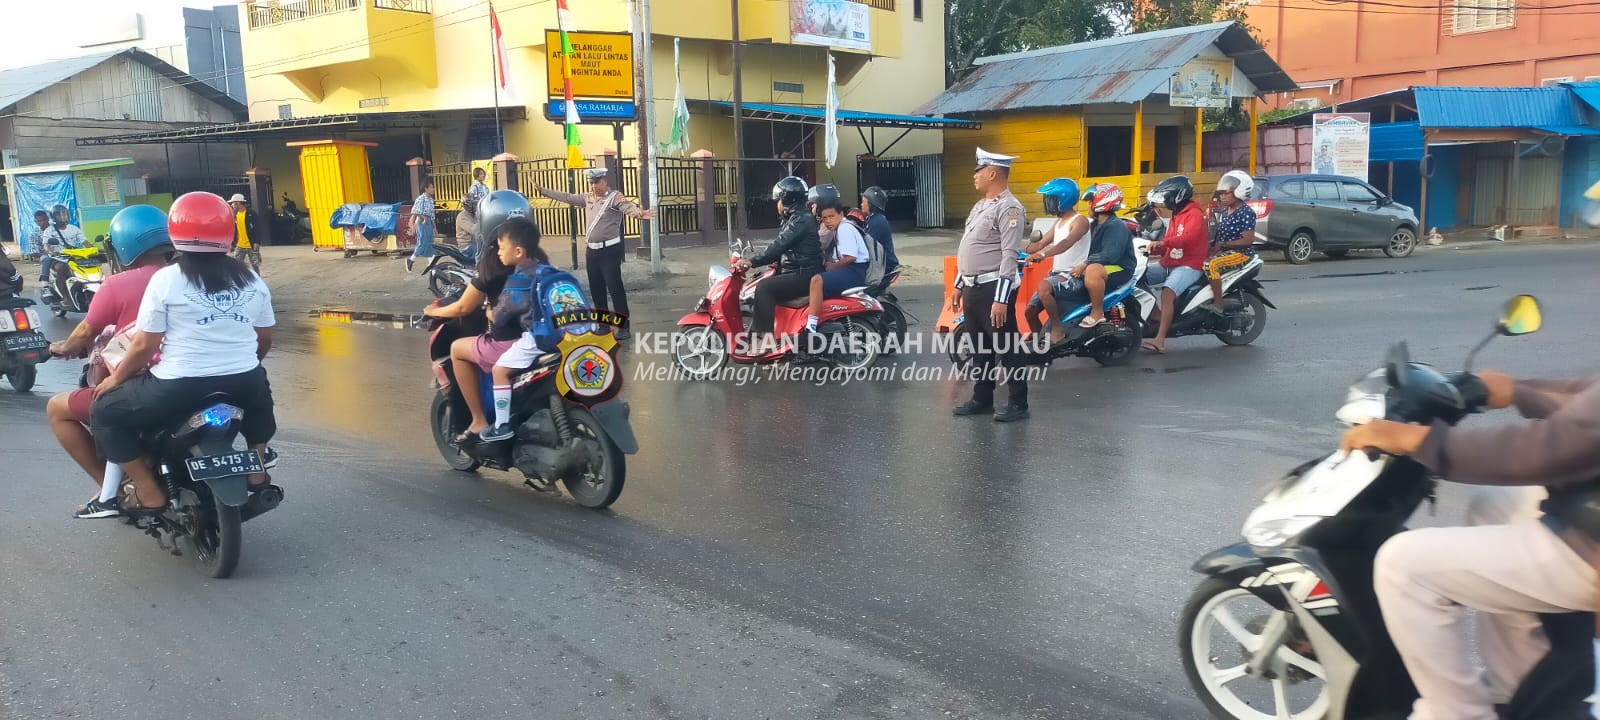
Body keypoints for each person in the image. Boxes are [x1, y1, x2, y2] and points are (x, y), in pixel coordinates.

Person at [1339, 370, 1599, 720]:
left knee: (1403, 566)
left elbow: (1546, 447)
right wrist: (1519, 389)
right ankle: (1517, 686)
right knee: (1493, 503)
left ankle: (1459, 713)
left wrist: (1422, 441)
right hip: (1586, 517)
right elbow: (1588, 404)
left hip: (1591, 546)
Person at [89, 192, 277, 514]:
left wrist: (115, 379)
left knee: (104, 413)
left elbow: (145, 345)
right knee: (260, 392)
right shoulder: (252, 280)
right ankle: (257, 468)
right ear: (228, 230)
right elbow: (264, 338)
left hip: (177, 387)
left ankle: (148, 491)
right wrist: (245, 366)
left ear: (175, 231)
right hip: (242, 382)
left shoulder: (166, 279)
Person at [46, 205, 174, 518]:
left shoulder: (118, 284)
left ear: (123, 246)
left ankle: (113, 490)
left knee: (58, 408)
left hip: (145, 383)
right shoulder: (189, 275)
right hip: (203, 377)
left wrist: (61, 348)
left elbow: (84, 333)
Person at [421, 190, 534, 443]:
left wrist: (433, 311)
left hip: (510, 343)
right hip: (540, 337)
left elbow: (462, 308)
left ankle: (478, 421)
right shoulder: (535, 257)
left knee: (458, 348)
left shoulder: (493, 262)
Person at [533, 168, 655, 340]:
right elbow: (567, 197)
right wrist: (544, 191)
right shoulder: (587, 198)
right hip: (592, 251)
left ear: (605, 181)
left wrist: (640, 214)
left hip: (610, 251)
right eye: (591, 183)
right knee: (596, 289)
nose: (593, 186)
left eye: (597, 182)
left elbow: (627, 207)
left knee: (615, 288)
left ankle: (624, 327)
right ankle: (603, 326)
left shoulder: (614, 197)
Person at [952, 148, 1029, 423]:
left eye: (978, 170)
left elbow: (1009, 255)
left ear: (992, 172)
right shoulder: (982, 205)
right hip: (973, 287)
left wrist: (1001, 299)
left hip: (994, 288)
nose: (975, 176)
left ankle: (1019, 403)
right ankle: (982, 398)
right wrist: (959, 284)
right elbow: (969, 247)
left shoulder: (1009, 208)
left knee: (1007, 346)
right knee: (980, 348)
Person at [478, 217, 566, 443]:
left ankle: (501, 425)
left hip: (539, 338)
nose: (498, 253)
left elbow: (499, 318)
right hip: (568, 333)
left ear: (517, 251)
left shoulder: (518, 279)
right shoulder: (549, 270)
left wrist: (487, 308)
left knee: (499, 370)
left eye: (501, 248)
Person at [733, 176, 823, 353]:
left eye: (780, 200)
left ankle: (766, 341)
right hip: (798, 269)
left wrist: (752, 261)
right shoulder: (796, 218)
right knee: (762, 282)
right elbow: (786, 247)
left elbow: (779, 245)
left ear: (789, 199)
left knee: (765, 288)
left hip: (805, 273)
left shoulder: (800, 220)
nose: (778, 204)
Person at [1046, 183, 1136, 344]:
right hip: (1101, 265)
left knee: (1092, 271)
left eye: (1090, 202)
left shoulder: (1116, 226)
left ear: (1102, 203)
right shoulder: (1094, 224)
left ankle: (1097, 312)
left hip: (1119, 268)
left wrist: (1085, 264)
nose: (1088, 206)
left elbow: (1110, 255)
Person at [1141, 176, 1207, 355]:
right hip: (1170, 263)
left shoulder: (1194, 214)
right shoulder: (1177, 215)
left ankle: (1160, 340)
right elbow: (1169, 245)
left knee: (1167, 292)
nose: (1166, 201)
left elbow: (1187, 239)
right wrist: (1152, 250)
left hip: (1190, 265)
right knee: (1139, 276)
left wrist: (1163, 244)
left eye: (1168, 197)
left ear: (1179, 196)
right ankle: (1157, 315)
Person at [1022, 178, 1091, 341]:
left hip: (1074, 275)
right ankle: (1041, 343)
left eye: (1050, 199)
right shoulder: (1059, 222)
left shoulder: (1080, 221)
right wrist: (1012, 249)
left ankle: (1057, 327)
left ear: (1063, 199)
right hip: (1057, 275)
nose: (1047, 203)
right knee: (1029, 311)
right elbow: (1039, 243)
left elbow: (1066, 243)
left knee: (1043, 287)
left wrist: (1044, 255)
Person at [804, 186, 872, 335]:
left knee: (816, 280)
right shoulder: (839, 228)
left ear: (841, 214)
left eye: (832, 216)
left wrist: (832, 266)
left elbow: (850, 257)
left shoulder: (844, 228)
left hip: (854, 271)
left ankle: (811, 326)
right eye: (825, 218)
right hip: (851, 270)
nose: (828, 221)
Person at [1204, 171, 1257, 314]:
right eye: (1221, 193)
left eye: (1226, 193)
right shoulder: (1225, 211)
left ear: (1239, 191)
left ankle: (1218, 304)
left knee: (1211, 265)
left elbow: (1248, 240)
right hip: (1226, 251)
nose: (1222, 196)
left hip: (1242, 254)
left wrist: (1224, 245)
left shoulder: (1246, 212)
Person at [39, 205, 87, 283]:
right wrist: (52, 252)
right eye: (58, 215)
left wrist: (93, 249)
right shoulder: (49, 230)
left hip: (73, 257)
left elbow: (85, 242)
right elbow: (46, 245)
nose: (62, 216)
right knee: (61, 267)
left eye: (64, 214)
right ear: (53, 217)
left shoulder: (74, 229)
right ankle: (65, 293)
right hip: (58, 258)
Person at [859, 186, 899, 275]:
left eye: (863, 202)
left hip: (885, 265)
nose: (861, 205)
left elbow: (866, 245)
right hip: (880, 262)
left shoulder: (877, 221)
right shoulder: (872, 218)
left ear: (870, 204)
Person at [405, 180, 437, 274]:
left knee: (430, 242)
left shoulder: (431, 200)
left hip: (429, 222)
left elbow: (432, 214)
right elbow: (415, 211)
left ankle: (431, 265)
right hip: (422, 222)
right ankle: (411, 260)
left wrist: (434, 226)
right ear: (426, 188)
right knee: (422, 242)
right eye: (431, 187)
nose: (433, 189)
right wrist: (423, 217)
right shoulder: (420, 198)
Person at [456, 166, 491, 249]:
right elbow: (474, 230)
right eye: (481, 174)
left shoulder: (485, 187)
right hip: (467, 246)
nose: (483, 175)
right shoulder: (474, 186)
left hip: (485, 209)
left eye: (483, 174)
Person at [228, 193, 262, 273]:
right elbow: (233, 230)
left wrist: (257, 242)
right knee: (237, 266)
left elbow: (257, 228)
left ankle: (257, 282)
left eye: (233, 203)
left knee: (255, 266)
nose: (232, 205)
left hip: (251, 245)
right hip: (239, 246)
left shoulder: (251, 213)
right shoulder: (234, 215)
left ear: (238, 203)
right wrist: (232, 243)